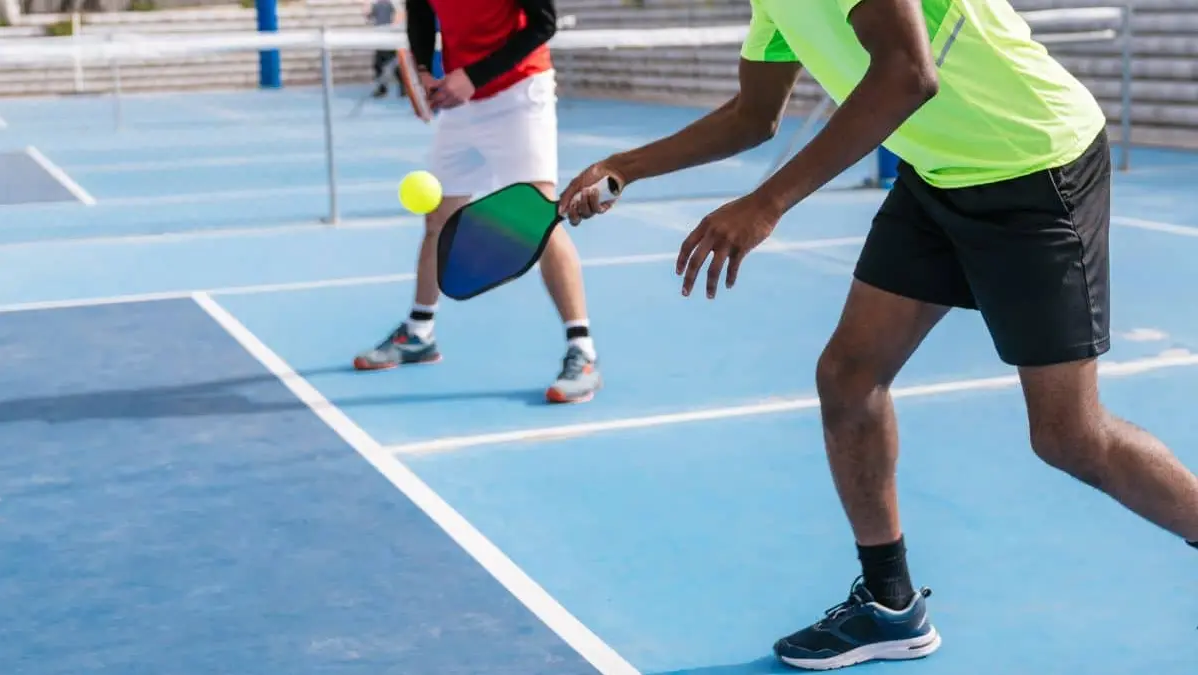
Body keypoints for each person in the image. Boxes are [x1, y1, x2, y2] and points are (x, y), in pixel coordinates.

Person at [561, 0, 1198, 669]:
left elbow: (906, 74)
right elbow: (754, 114)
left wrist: (766, 203)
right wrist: (624, 166)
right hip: (940, 174)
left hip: (1033, 167)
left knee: (1069, 435)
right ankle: (890, 604)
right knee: (848, 378)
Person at [354, 0, 603, 405]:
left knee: (538, 215)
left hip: (520, 92)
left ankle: (583, 351)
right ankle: (419, 333)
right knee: (438, 218)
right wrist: (424, 71)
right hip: (461, 104)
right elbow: (421, 13)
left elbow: (543, 24)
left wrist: (472, 77)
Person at [365, 0, 401, 98]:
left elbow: (399, 16)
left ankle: (402, 87)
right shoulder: (376, 4)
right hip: (380, 38)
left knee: (392, 64)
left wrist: (393, 28)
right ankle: (383, 88)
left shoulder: (392, 4)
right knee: (379, 64)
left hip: (389, 38)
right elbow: (368, 17)